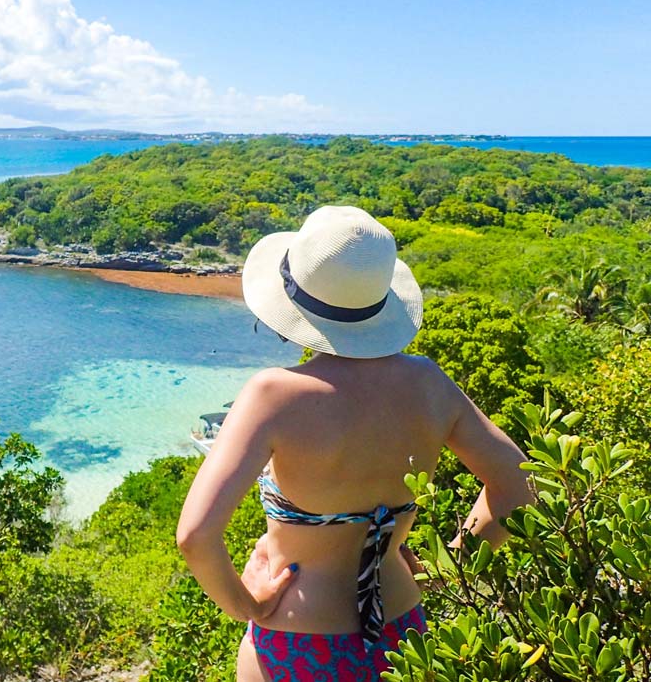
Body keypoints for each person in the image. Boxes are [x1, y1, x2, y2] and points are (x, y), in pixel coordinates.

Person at [175, 206, 533, 682]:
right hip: (403, 630)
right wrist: (447, 566)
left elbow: (195, 536)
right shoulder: (428, 382)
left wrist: (249, 603)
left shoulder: (273, 395)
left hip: (297, 635)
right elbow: (519, 488)